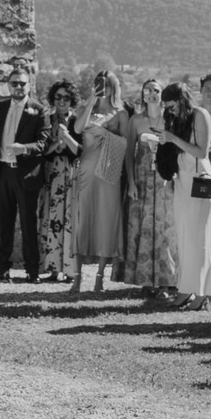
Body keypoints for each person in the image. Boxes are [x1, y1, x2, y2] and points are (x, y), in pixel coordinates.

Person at [0, 69, 47, 283]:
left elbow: (43, 143)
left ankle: (32, 271)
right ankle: (2, 269)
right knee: (5, 223)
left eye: (22, 83)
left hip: (26, 174)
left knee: (28, 224)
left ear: (29, 85)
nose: (18, 87)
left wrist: (23, 148)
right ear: (8, 85)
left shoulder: (38, 110)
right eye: (14, 83)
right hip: (4, 172)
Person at [161, 81, 211, 309]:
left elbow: (202, 150)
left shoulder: (200, 114)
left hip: (200, 179)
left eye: (172, 105)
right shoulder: (175, 118)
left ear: (182, 100)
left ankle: (203, 292)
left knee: (201, 237)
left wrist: (173, 139)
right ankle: (186, 288)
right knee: (184, 236)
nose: (170, 109)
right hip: (182, 179)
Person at [115, 79, 176, 297]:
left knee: (165, 229)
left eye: (156, 90)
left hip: (165, 180)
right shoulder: (135, 121)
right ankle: (146, 279)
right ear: (142, 94)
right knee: (143, 228)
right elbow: (128, 154)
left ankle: (167, 281)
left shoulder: (170, 120)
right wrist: (130, 182)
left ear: (162, 94)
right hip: (141, 180)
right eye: (147, 90)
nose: (151, 94)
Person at [71, 73, 126, 294]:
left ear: (114, 88)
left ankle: (100, 278)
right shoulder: (86, 110)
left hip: (109, 176)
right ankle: (76, 278)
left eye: (108, 86)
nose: (104, 89)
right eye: (99, 85)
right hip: (86, 173)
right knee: (82, 222)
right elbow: (77, 130)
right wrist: (91, 100)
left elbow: (125, 145)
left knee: (106, 223)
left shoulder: (120, 114)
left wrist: (105, 133)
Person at [35, 79, 82, 285]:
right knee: (50, 218)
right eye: (58, 97)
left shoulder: (78, 120)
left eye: (66, 97)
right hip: (51, 173)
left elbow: (81, 150)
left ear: (72, 99)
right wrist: (57, 143)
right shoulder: (46, 119)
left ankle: (71, 270)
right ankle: (53, 268)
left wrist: (67, 139)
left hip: (71, 173)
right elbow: (42, 149)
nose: (62, 101)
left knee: (69, 219)